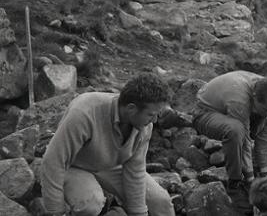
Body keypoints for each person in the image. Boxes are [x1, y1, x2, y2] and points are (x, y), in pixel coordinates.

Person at [41, 73, 175, 216]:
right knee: (91, 205)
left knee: (161, 203)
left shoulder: (143, 124)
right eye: (151, 115)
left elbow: (135, 172)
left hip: (111, 166)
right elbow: (53, 161)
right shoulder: (84, 112)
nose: (155, 120)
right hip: (74, 166)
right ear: (131, 109)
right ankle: (107, 207)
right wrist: (55, 211)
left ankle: (115, 205)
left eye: (156, 114)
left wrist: (138, 213)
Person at [192, 70, 267, 214]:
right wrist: (249, 179)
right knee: (236, 131)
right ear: (255, 98)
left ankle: (258, 177)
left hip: (250, 114)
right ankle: (235, 182)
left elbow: (265, 140)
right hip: (207, 112)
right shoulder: (239, 100)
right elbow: (246, 143)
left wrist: (264, 174)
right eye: (266, 110)